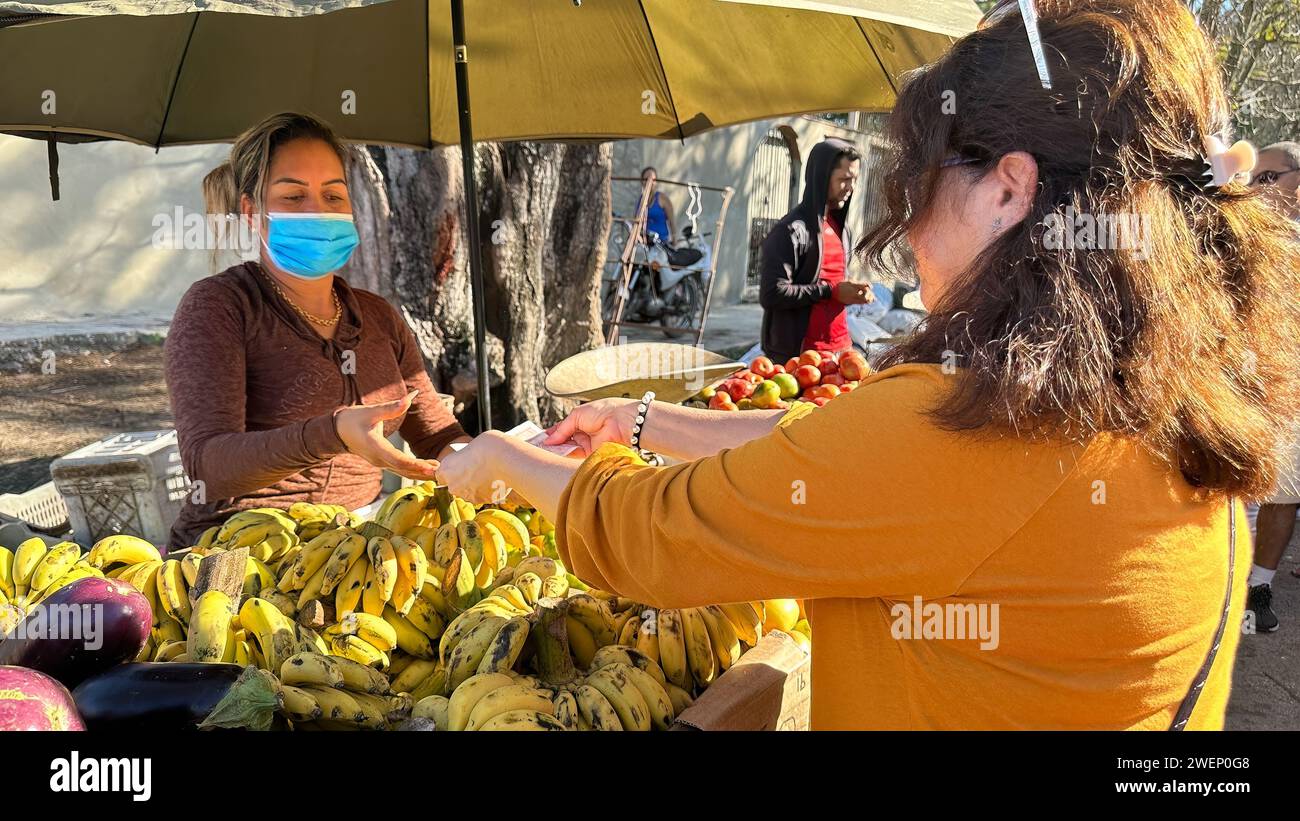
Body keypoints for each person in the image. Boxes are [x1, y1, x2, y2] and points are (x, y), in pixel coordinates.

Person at [437, 0, 1300, 730]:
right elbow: (836, 449)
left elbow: (650, 534)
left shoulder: (977, 430)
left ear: (1008, 188)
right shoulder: (1163, 392)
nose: (909, 232)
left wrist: (510, 459)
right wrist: (639, 420)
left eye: (918, 188)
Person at [164, 112, 469, 548]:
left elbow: (438, 437)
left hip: (354, 554)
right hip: (235, 555)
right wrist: (334, 433)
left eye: (333, 195)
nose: (318, 212)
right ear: (252, 212)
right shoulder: (219, 306)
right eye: (293, 197)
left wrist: (514, 461)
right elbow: (208, 467)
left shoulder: (377, 316)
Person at [1246, 140, 1300, 632]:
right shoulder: (1232, 236)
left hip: (1289, 393)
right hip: (1236, 384)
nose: (1256, 187)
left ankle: (1258, 587)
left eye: (1269, 177)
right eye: (1252, 177)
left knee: (1283, 493)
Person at [758, 138, 873, 365]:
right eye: (844, 179)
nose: (851, 188)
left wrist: (852, 291)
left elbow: (833, 282)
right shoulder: (790, 231)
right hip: (799, 357)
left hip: (840, 349)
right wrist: (830, 292)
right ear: (821, 178)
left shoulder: (840, 228)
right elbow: (771, 294)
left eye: (855, 180)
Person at [639, 167, 675, 243]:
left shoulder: (662, 198)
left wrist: (674, 241)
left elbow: (672, 222)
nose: (649, 182)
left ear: (656, 182)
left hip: (661, 243)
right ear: (642, 181)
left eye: (652, 179)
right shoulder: (640, 200)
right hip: (644, 243)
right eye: (646, 179)